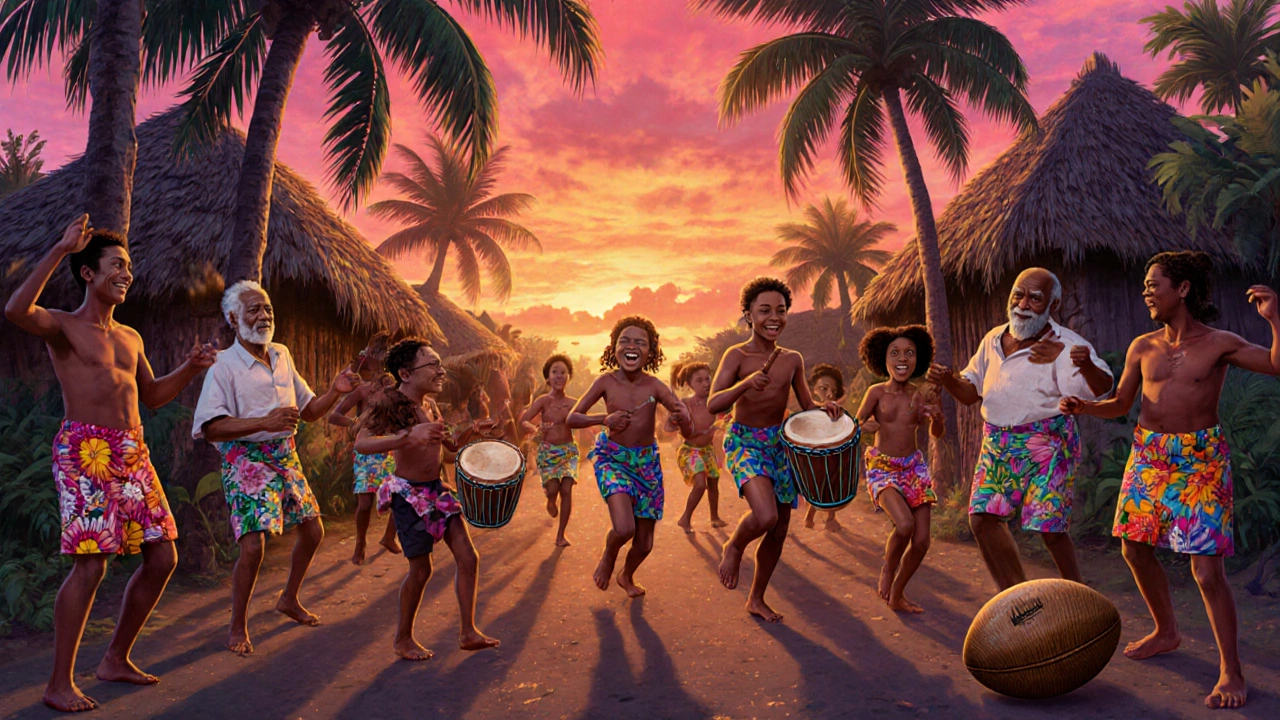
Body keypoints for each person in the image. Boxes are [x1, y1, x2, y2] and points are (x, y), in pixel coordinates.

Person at [4, 215, 215, 712]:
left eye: (130, 266)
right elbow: (15, 309)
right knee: (92, 564)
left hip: (131, 450)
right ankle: (59, 682)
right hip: (84, 450)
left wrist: (189, 367)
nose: (127, 273)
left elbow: (154, 396)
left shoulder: (131, 338)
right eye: (117, 264)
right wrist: (60, 247)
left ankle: (115, 658)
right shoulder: (64, 325)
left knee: (163, 556)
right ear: (88, 274)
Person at [1061, 252, 1280, 710]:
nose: (1146, 292)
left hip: (1199, 462)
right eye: (1143, 285)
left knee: (1206, 571)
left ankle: (1231, 671)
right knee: (1133, 548)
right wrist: (1085, 407)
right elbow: (1121, 403)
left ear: (1182, 289)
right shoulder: (1143, 347)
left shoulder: (1220, 343)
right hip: (1149, 456)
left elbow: (1276, 365)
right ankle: (1167, 630)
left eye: (1153, 284)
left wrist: (1275, 320)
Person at [193, 280, 361, 656]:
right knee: (253, 546)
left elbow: (310, 411)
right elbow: (211, 427)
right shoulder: (222, 365)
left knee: (314, 530)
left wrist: (336, 390)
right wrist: (263, 423)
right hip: (244, 457)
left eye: (267, 308)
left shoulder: (282, 355)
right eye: (254, 309)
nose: (264, 315)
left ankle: (288, 598)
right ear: (234, 319)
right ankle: (237, 625)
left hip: (284, 453)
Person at [927, 267, 1112, 591]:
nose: (1023, 304)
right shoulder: (993, 339)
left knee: (1050, 528)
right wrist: (948, 381)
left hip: (1048, 442)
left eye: (1035, 298)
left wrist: (1084, 364)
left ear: (1053, 306)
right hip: (998, 441)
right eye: (1018, 294)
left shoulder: (1068, 344)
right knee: (982, 519)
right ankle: (1017, 596)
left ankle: (1080, 594)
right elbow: (970, 393)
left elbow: (1103, 388)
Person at [355, 338, 501, 660]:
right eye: (432, 365)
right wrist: (406, 436)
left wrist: (474, 431)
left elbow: (447, 453)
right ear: (406, 373)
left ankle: (468, 632)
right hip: (408, 496)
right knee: (421, 571)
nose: (440, 371)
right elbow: (361, 444)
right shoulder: (389, 403)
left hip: (437, 491)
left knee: (469, 557)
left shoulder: (431, 406)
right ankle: (402, 639)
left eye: (440, 364)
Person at [711, 278, 841, 622]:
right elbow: (713, 403)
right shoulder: (735, 356)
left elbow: (806, 404)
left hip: (779, 444)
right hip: (743, 441)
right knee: (765, 516)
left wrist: (825, 409)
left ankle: (756, 598)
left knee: (780, 527)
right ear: (748, 315)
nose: (774, 317)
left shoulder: (792, 359)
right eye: (764, 310)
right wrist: (744, 384)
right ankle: (734, 545)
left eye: (780, 311)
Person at [568, 316, 690, 598]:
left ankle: (626, 575)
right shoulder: (605, 382)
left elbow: (684, 419)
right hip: (614, 460)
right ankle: (609, 555)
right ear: (613, 347)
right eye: (624, 340)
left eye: (640, 342)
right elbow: (572, 418)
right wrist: (604, 418)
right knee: (624, 528)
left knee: (645, 544)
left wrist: (678, 418)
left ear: (651, 352)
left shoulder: (656, 386)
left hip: (647, 465)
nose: (631, 346)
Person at [856, 326, 943, 613]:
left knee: (921, 541)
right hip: (883, 467)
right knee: (904, 525)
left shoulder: (920, 395)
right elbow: (853, 427)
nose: (902, 358)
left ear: (918, 358)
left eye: (909, 353)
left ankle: (897, 594)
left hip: (913, 468)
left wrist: (937, 417)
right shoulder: (876, 393)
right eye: (895, 353)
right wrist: (863, 427)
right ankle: (887, 568)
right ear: (884, 358)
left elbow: (937, 432)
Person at [327, 333, 401, 565]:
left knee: (400, 497)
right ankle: (360, 543)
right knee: (365, 503)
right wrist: (355, 424)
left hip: (390, 448)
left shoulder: (399, 392)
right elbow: (334, 415)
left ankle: (389, 537)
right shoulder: (363, 391)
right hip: (366, 451)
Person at [519, 354, 580, 547]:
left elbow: (583, 419)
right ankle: (550, 500)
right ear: (548, 377)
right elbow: (524, 419)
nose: (559, 376)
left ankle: (561, 535)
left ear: (569, 376)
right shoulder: (543, 401)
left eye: (563, 372)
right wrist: (536, 429)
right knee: (554, 489)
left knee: (567, 489)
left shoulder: (573, 403)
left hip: (569, 451)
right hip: (548, 451)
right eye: (555, 372)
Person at [667, 360, 728, 532]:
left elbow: (725, 417)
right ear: (690, 385)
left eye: (707, 379)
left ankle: (714, 517)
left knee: (713, 482)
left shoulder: (714, 402)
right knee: (700, 484)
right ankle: (685, 517)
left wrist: (719, 425)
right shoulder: (684, 404)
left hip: (707, 450)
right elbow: (673, 427)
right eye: (699, 381)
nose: (705, 384)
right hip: (689, 450)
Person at [803, 364, 848, 531]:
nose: (829, 393)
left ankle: (829, 518)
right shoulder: (809, 408)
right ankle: (813, 516)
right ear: (814, 389)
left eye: (833, 391)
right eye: (823, 388)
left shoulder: (838, 410)